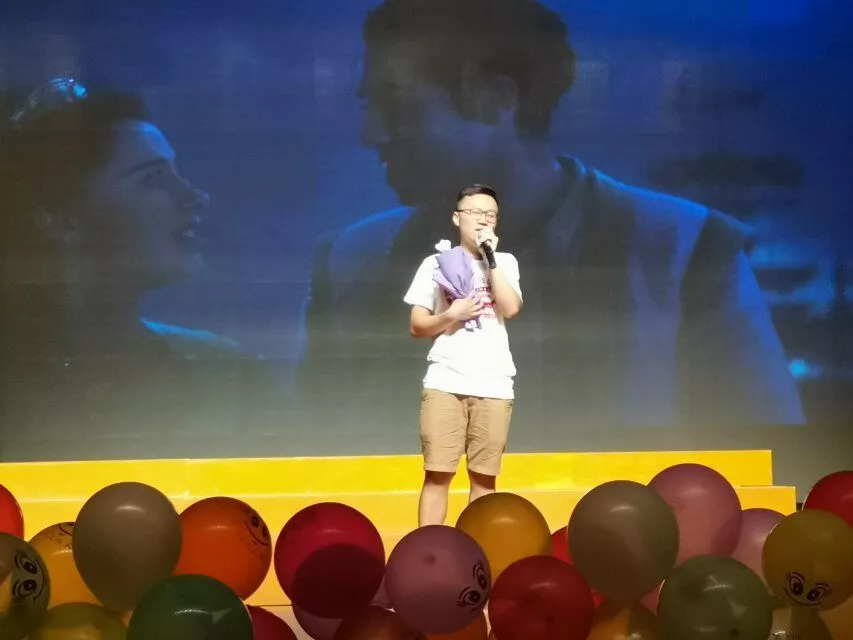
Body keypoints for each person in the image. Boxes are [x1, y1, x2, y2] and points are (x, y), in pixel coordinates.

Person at [298, 0, 804, 432]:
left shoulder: (693, 252)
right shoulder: (349, 262)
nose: (371, 134)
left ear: (498, 99)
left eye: (399, 108)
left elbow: (766, 458)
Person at [0, 78, 278, 449]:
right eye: (152, 178)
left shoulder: (230, 377)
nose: (194, 195)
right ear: (61, 220)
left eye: (175, 172)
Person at [404, 184, 521, 525]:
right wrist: (451, 315)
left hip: (494, 384)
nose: (483, 220)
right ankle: (428, 549)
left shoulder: (505, 262)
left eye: (491, 215)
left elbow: (511, 308)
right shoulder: (434, 263)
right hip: (446, 381)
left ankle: (477, 550)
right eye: (475, 213)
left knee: (484, 480)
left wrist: (490, 258)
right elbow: (417, 326)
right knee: (437, 474)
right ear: (457, 218)